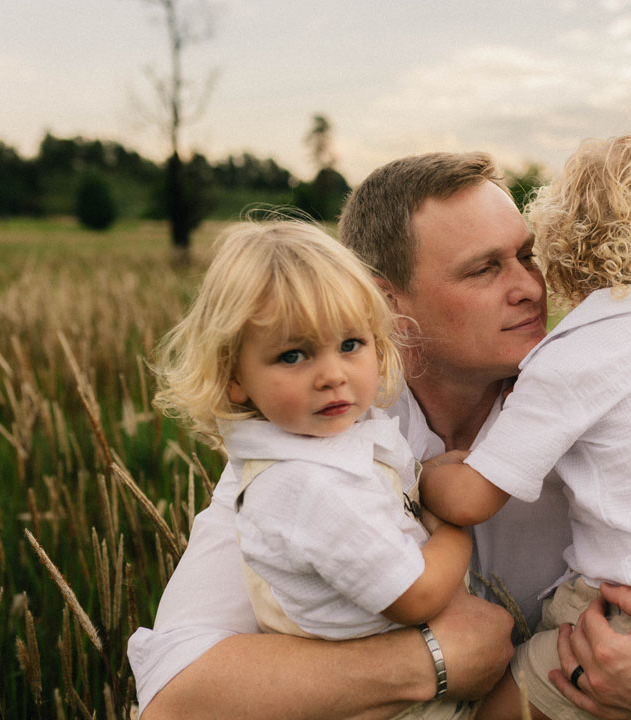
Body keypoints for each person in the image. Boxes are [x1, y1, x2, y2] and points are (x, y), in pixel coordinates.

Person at [129, 151, 631, 720]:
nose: (532, 288)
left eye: (528, 256)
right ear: (388, 305)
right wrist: (436, 660)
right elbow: (174, 696)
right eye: (485, 269)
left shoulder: (599, 415)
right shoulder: (314, 452)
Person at [419, 135, 631, 720]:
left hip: (627, 622)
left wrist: (425, 474)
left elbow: (472, 500)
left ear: (562, 239)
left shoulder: (574, 355)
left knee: (498, 706)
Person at [149, 219, 475, 719]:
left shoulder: (338, 440)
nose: (331, 375)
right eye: (293, 355)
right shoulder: (302, 483)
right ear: (234, 378)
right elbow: (417, 596)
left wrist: (427, 474)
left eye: (350, 345)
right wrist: (458, 520)